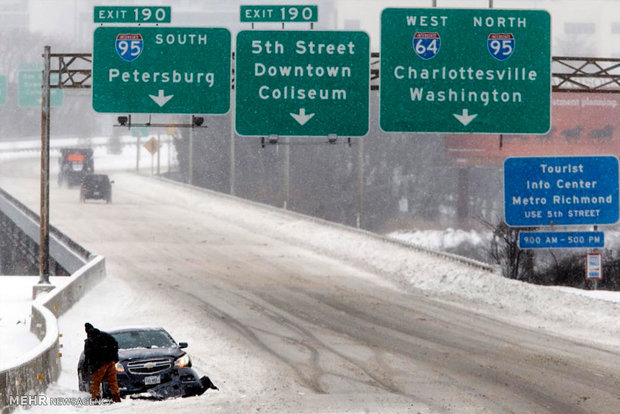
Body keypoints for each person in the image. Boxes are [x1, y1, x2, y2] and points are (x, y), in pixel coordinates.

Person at [83, 322, 121, 403]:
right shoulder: (105, 335)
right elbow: (115, 344)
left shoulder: (90, 340)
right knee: (113, 381)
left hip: (100, 364)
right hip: (111, 361)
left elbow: (88, 354)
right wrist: (113, 356)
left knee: (96, 382)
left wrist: (87, 365)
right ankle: (116, 398)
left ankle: (95, 398)